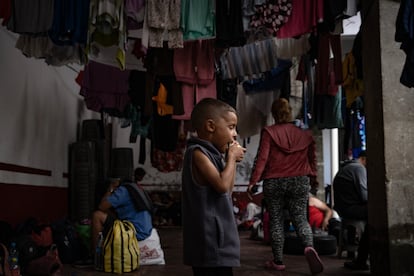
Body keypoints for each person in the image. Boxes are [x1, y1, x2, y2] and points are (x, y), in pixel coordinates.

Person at [247, 98, 324, 274]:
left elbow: (262, 158)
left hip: (274, 181)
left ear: (273, 114)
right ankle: (309, 247)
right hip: (299, 180)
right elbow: (312, 159)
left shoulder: (269, 132)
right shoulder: (305, 134)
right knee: (300, 218)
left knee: (276, 220)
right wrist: (313, 178)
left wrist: (253, 181)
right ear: (289, 112)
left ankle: (278, 261)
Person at [181, 98, 246, 276]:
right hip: (209, 242)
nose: (235, 134)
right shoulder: (197, 153)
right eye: (231, 127)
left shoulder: (213, 155)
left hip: (218, 241)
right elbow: (222, 187)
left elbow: (228, 190)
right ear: (210, 126)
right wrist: (231, 158)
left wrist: (230, 161)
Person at [91, 176, 153, 256]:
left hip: (135, 231)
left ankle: (96, 254)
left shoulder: (123, 190)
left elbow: (102, 206)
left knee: (97, 215)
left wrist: (110, 189)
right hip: (145, 230)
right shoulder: (135, 188)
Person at [333, 150, 369, 270]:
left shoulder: (347, 167)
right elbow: (365, 196)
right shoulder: (359, 168)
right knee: (377, 215)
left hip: (344, 208)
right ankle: (361, 259)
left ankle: (359, 258)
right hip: (351, 209)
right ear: (364, 159)